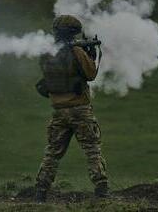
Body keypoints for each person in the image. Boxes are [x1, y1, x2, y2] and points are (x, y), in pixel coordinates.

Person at [35, 15, 109, 203]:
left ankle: (41, 191)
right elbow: (90, 74)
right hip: (79, 108)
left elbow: (52, 75)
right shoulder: (76, 51)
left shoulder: (46, 52)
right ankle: (101, 189)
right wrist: (90, 55)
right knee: (92, 148)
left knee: (52, 151)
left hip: (59, 109)